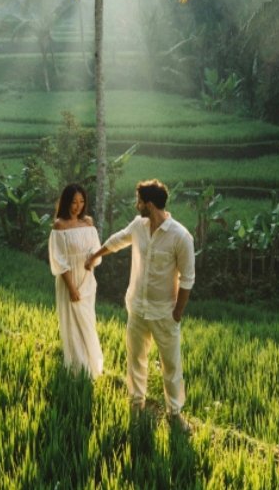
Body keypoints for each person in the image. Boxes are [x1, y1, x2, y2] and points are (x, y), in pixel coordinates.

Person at [86, 179, 195, 431]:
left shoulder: (180, 236)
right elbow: (117, 240)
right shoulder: (139, 225)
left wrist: (177, 312)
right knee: (135, 360)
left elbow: (188, 278)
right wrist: (94, 255)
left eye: (139, 202)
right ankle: (136, 405)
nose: (137, 206)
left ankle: (175, 413)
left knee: (171, 365)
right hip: (137, 308)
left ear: (148, 204)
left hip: (164, 314)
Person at [48, 183, 104, 379]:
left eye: (81, 202)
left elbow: (96, 250)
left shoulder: (88, 223)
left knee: (88, 322)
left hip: (87, 279)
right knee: (72, 323)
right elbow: (60, 260)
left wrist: (92, 261)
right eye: (73, 202)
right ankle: (77, 370)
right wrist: (71, 288)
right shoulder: (59, 226)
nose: (78, 206)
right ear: (66, 202)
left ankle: (92, 366)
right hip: (69, 281)